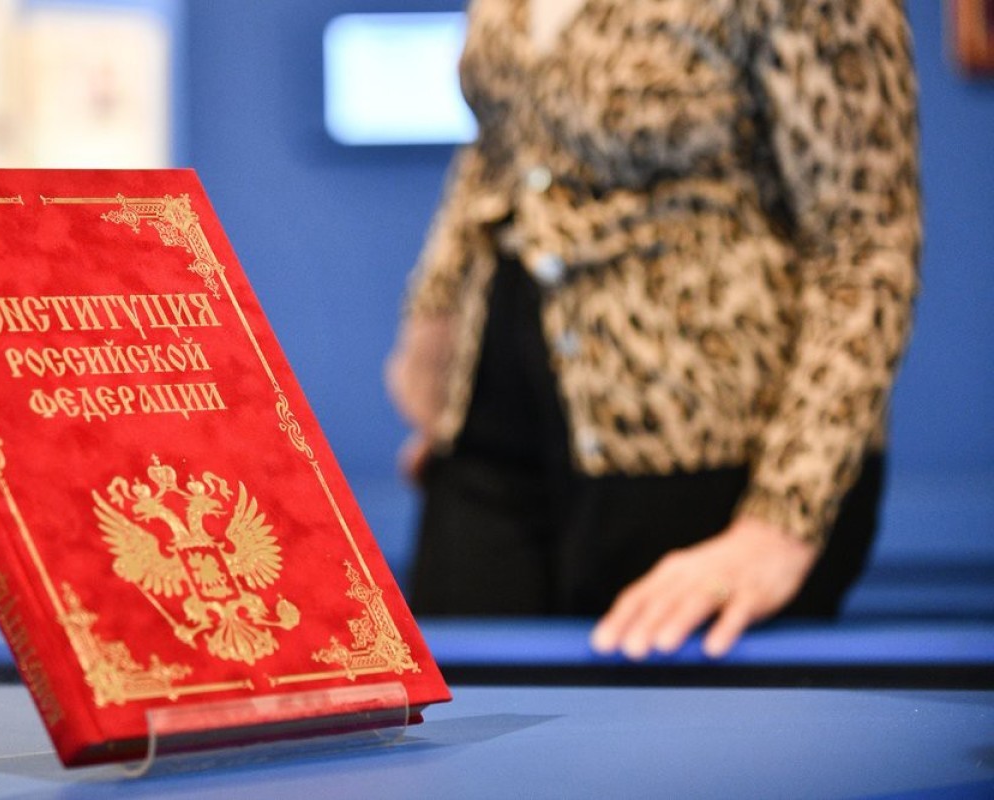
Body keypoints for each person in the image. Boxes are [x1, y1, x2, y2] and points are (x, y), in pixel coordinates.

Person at [386, 0, 921, 659]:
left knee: (670, 721)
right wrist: (433, 357)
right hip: (497, 439)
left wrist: (782, 523)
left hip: (708, 458)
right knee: (457, 698)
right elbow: (499, 149)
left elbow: (866, 244)